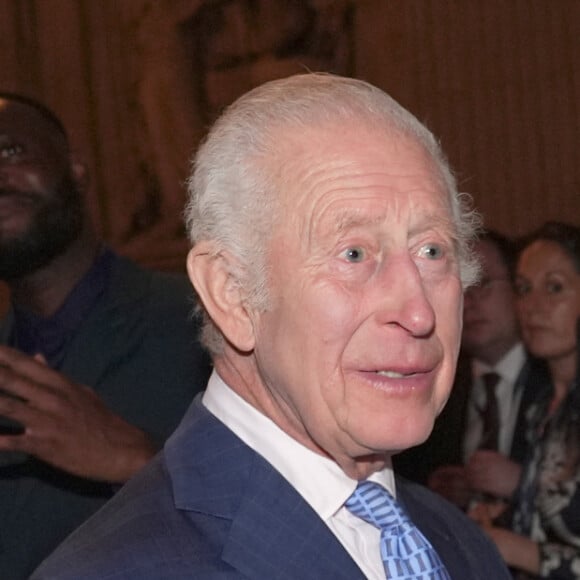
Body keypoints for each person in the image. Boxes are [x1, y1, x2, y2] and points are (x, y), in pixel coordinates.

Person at [32, 73, 510, 580]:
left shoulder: (459, 544)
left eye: (432, 251)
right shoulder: (118, 570)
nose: (419, 313)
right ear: (232, 292)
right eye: (353, 254)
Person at [0, 93, 211, 579]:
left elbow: (306, 512)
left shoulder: (205, 323)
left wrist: (139, 462)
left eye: (11, 152)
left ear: (75, 167)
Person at [395, 230, 546, 509]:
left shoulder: (556, 380)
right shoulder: (429, 385)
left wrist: (522, 482)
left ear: (518, 288)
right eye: (459, 286)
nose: (470, 299)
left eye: (484, 282)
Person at [470, 221, 580, 579]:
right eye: (523, 289)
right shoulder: (542, 406)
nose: (533, 307)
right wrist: (496, 521)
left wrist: (512, 547)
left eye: (554, 288)